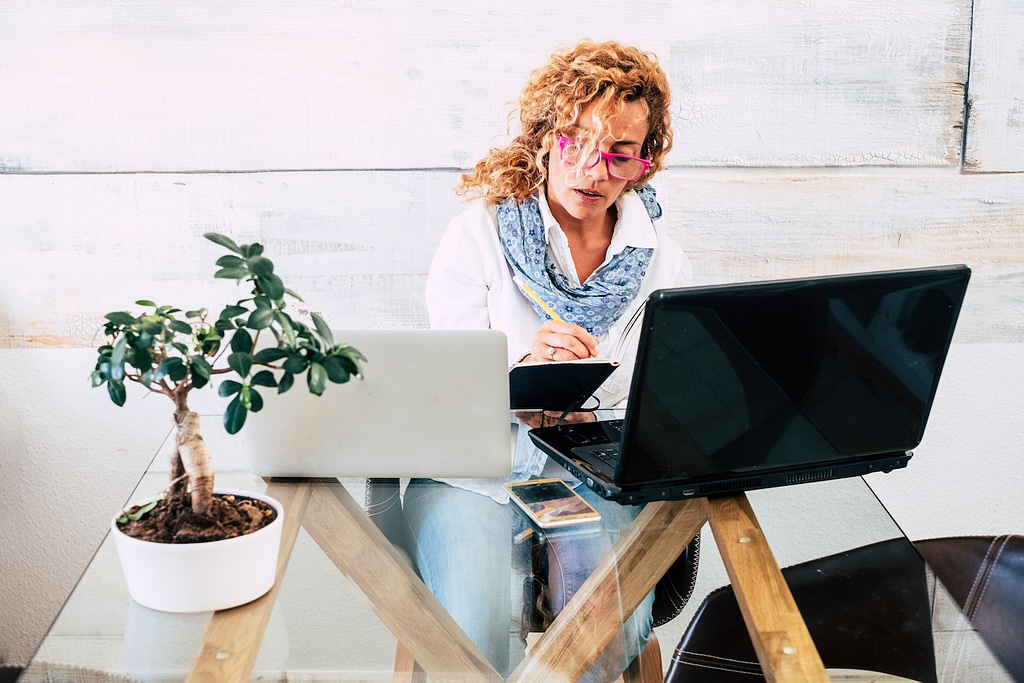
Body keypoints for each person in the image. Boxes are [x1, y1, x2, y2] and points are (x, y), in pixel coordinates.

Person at [407, 39, 692, 681]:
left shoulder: (663, 261)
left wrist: (601, 407)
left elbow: (668, 397)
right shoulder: (478, 234)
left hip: (595, 471)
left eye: (619, 154)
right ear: (542, 137)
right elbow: (440, 389)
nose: (594, 171)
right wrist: (519, 371)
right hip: (472, 471)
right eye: (577, 143)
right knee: (471, 633)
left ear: (644, 162)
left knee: (602, 626)